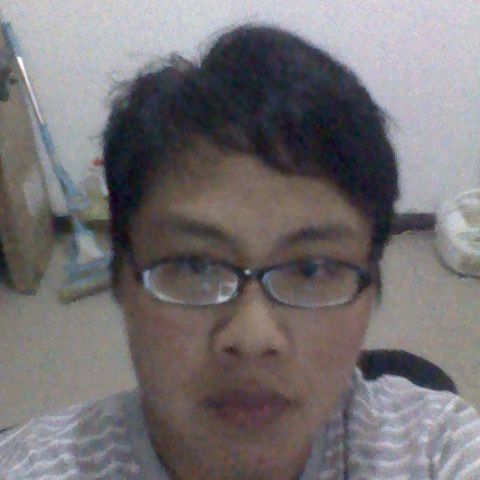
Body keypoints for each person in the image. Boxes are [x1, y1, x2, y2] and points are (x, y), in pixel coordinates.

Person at [1, 24, 479, 480]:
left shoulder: (435, 448)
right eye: (194, 265)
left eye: (311, 268)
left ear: (371, 287)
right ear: (121, 279)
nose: (252, 337)